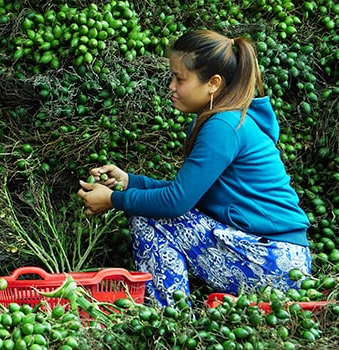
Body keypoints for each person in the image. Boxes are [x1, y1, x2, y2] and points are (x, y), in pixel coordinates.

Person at [77, 30, 311, 306]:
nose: (171, 87)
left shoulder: (222, 127)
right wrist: (130, 181)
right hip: (279, 258)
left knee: (147, 214)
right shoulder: (226, 121)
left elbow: (176, 203)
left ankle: (169, 318)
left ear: (213, 83)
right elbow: (185, 193)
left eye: (180, 78)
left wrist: (113, 200)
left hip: (275, 263)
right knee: (146, 205)